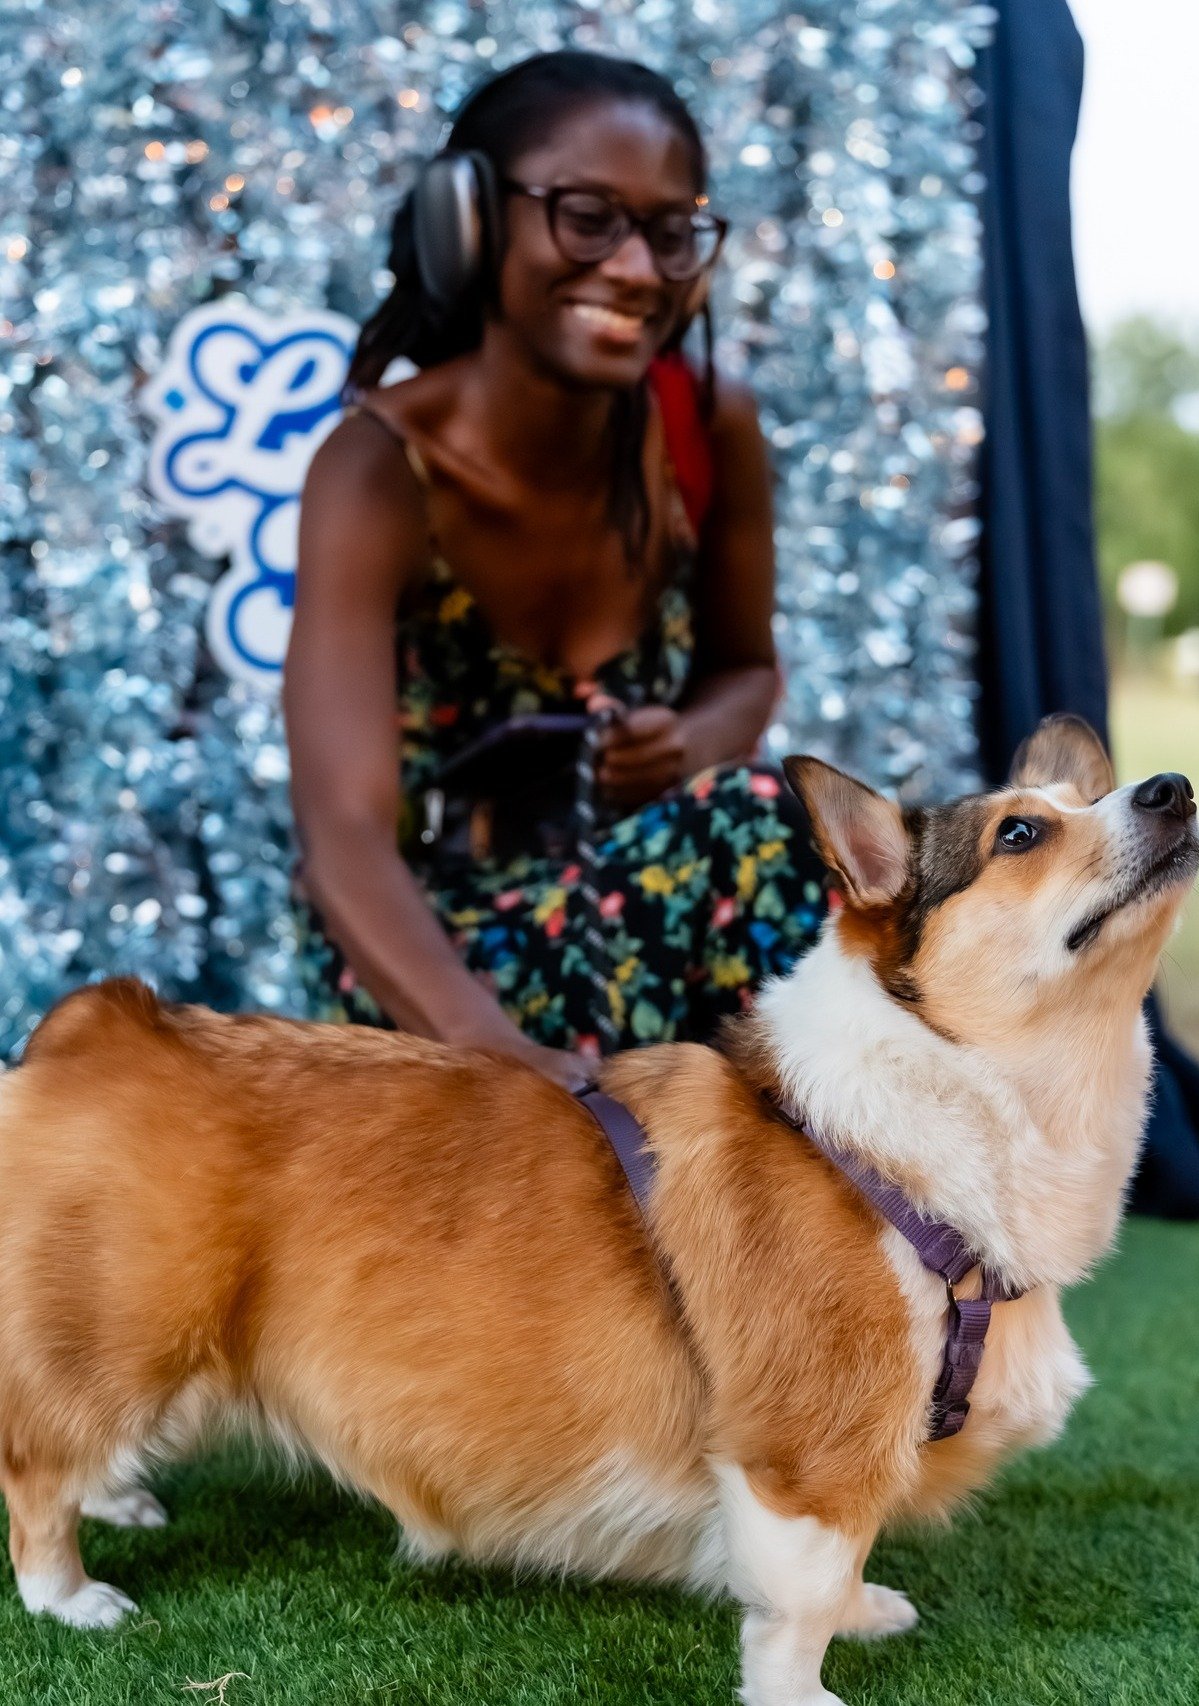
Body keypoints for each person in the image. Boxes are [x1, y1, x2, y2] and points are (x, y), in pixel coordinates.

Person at [284, 50, 829, 1091]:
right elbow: (342, 839)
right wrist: (497, 1053)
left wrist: (686, 747)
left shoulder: (707, 426)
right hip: (427, 964)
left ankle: (797, 1219)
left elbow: (746, 672)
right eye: (587, 216)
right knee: (755, 827)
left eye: (671, 234)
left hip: (636, 898)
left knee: (770, 818)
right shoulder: (377, 470)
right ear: (470, 222)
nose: (635, 268)